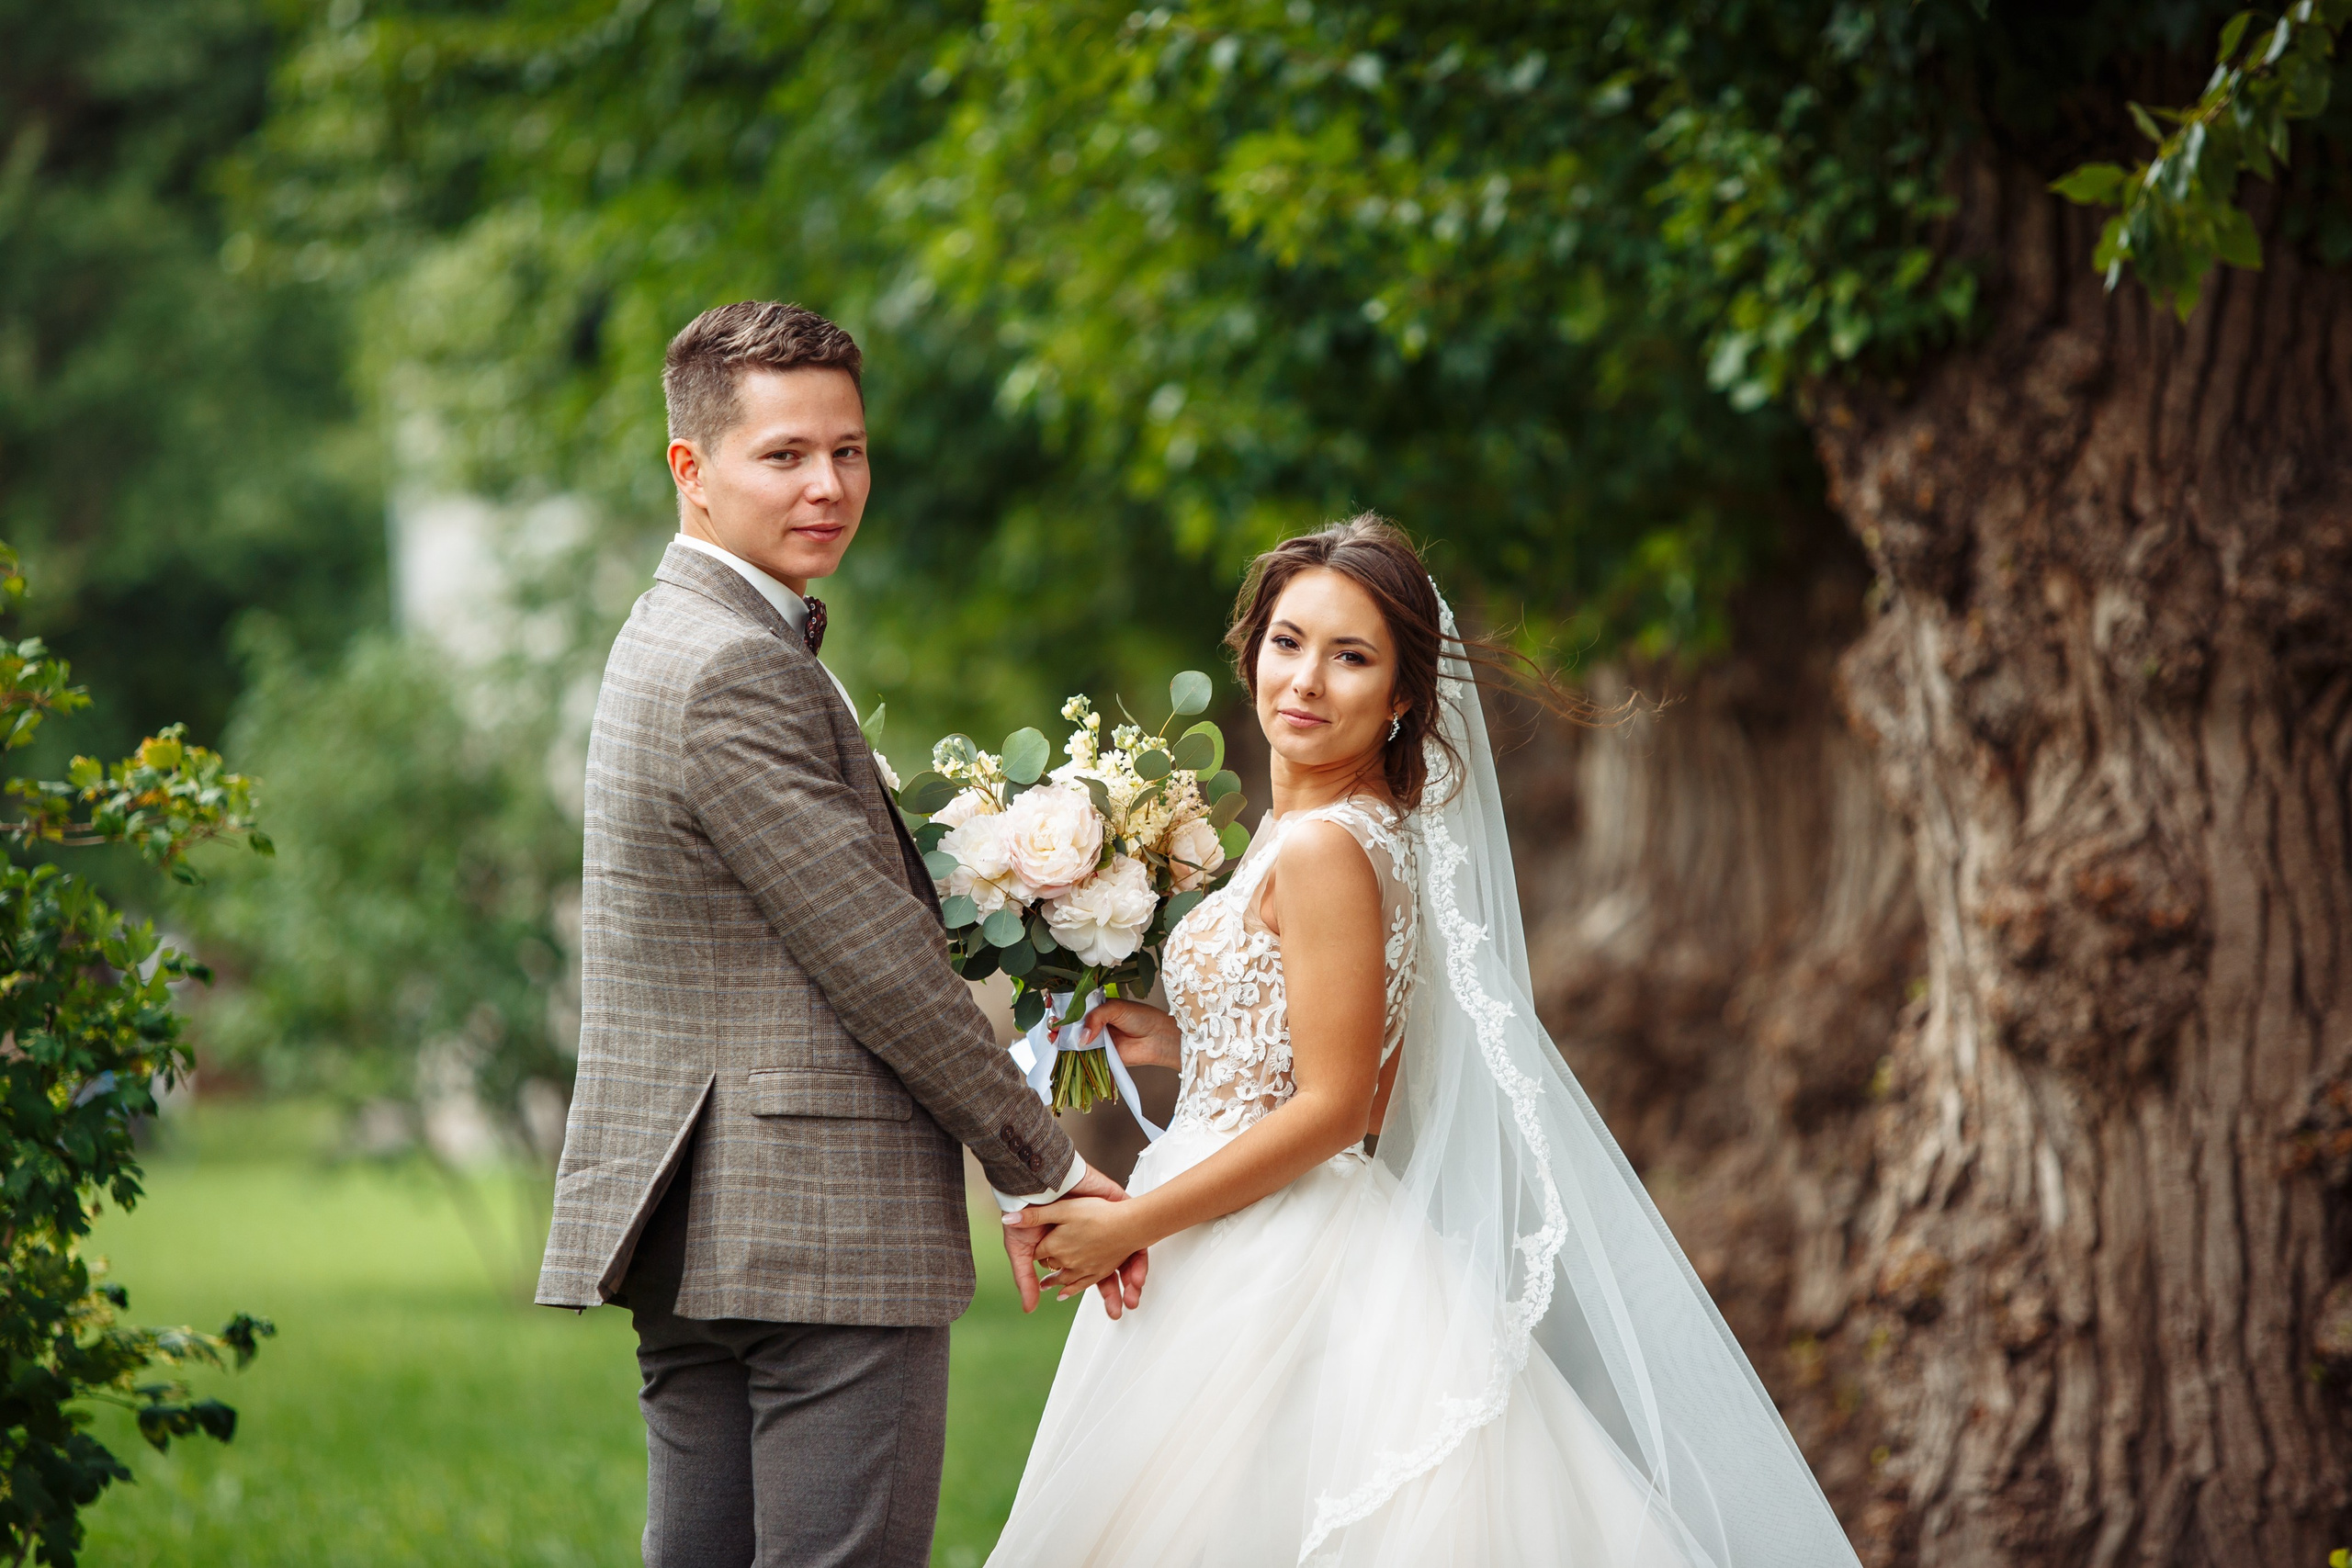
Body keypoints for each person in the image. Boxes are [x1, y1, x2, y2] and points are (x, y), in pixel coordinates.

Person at [994, 517, 1865, 1566]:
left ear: (1404, 695)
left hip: (1267, 1244)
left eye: (1351, 657)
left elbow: (1338, 1110)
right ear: (1252, 649)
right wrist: (1173, 1039)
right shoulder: (1314, 828)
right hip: (1247, 1215)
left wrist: (1132, 1223)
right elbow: (1325, 1058)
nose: (1307, 681)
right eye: (1288, 641)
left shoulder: (1323, 847)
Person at [536, 299, 1140, 1568]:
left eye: (849, 451)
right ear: (689, 470)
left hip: (707, 1231)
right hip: (818, 1234)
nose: (829, 484)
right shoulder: (734, 665)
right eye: (786, 454)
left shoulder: (673, 636)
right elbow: (877, 963)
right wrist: (1042, 1161)